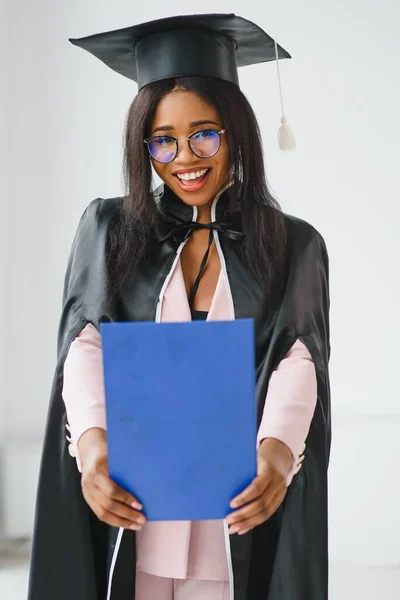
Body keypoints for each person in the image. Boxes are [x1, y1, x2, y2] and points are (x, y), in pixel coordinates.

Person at [28, 13, 331, 600]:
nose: (183, 157)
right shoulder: (110, 228)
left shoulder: (293, 243)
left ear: (236, 132)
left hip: (231, 506)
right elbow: (84, 345)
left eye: (204, 134)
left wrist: (274, 458)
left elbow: (299, 359)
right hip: (136, 501)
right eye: (162, 139)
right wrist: (92, 452)